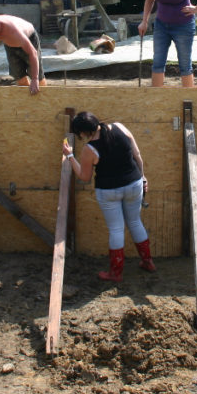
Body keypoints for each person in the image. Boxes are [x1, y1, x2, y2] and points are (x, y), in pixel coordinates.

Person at [62, 111, 156, 281]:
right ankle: (148, 262)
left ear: (83, 132)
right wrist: (142, 177)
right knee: (135, 222)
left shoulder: (89, 149)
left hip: (109, 191)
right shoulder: (120, 127)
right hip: (134, 184)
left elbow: (84, 177)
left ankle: (116, 273)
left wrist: (69, 156)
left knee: (116, 229)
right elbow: (138, 156)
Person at [0, 12, 46, 94]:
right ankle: (25, 99)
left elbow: (33, 53)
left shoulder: (14, 31)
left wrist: (34, 79)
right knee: (18, 74)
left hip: (28, 38)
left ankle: (43, 95)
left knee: (37, 77)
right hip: (10, 43)